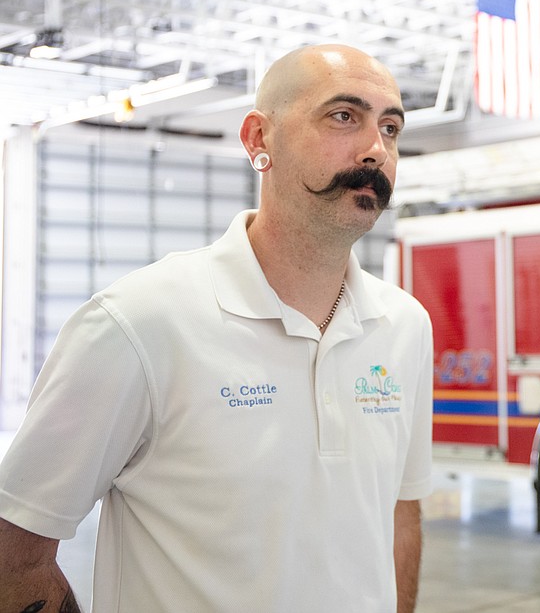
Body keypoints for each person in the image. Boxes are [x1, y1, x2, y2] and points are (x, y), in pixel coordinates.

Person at [0, 44, 433, 612]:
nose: (376, 149)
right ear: (259, 140)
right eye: (343, 117)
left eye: (391, 127)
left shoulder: (404, 326)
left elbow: (400, 511)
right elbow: (15, 556)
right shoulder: (138, 324)